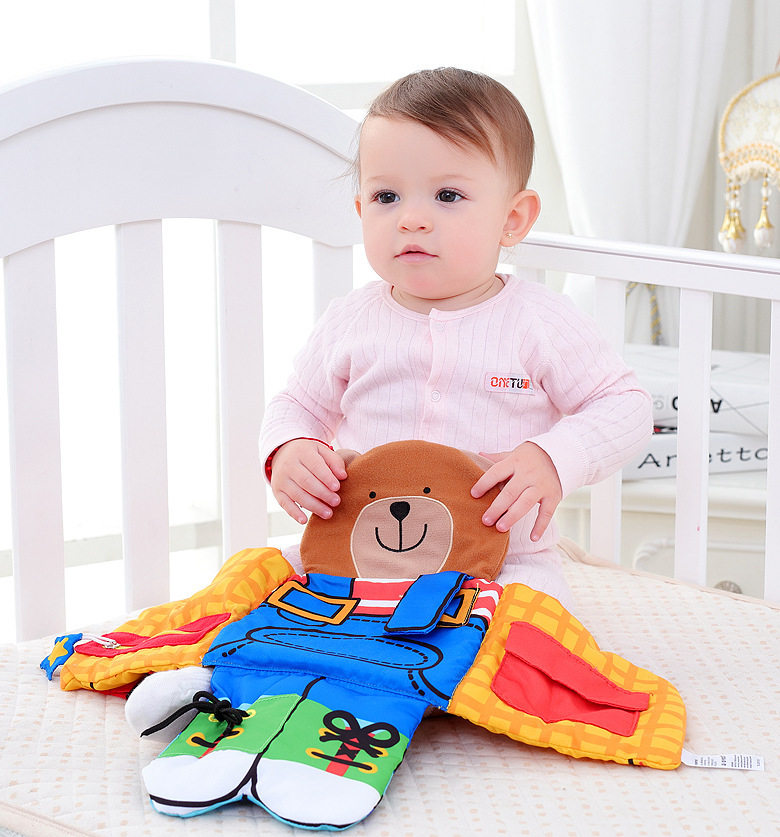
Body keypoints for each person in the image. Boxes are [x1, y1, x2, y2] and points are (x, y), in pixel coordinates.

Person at [259, 67, 652, 608]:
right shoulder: (351, 319)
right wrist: (291, 448)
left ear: (512, 218)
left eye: (447, 194)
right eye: (386, 196)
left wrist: (555, 457)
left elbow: (625, 406)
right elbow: (296, 405)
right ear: (361, 210)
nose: (412, 219)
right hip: (354, 557)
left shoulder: (538, 321)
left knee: (526, 622)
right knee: (255, 583)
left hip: (501, 560)